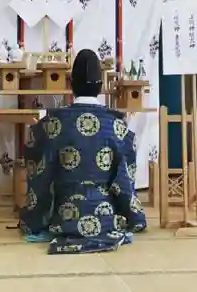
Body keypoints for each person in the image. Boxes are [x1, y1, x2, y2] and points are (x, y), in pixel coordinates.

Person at [19, 49, 147, 254]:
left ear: (71, 85)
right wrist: (135, 218)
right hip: (106, 216)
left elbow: (40, 173)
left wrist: (32, 219)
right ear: (101, 85)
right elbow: (124, 180)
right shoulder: (115, 124)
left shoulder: (54, 123)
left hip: (64, 216)